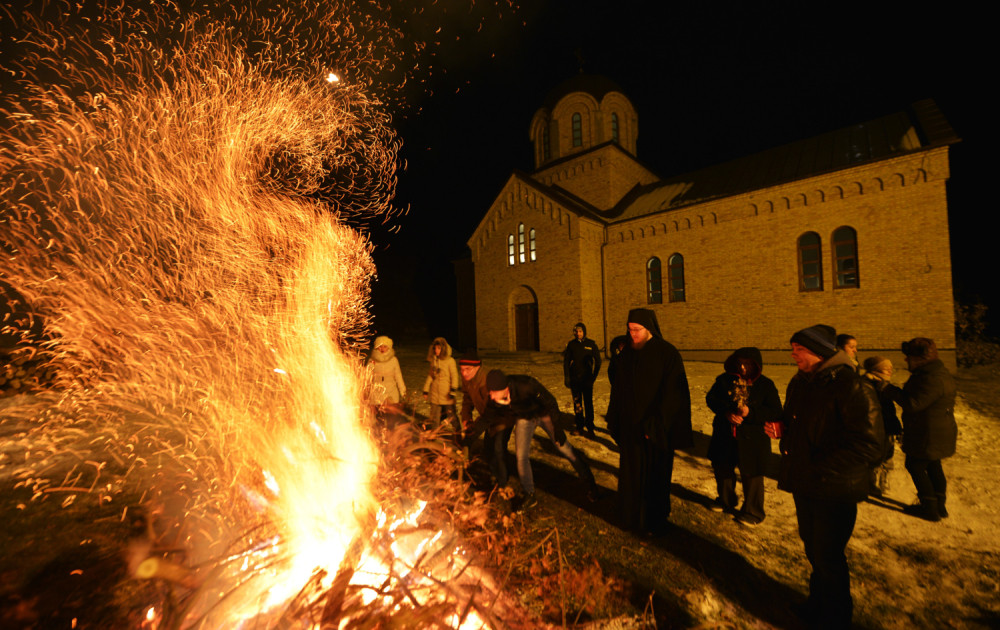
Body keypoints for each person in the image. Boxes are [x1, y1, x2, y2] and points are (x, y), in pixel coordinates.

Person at [777, 325, 882, 628]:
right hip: (807, 483)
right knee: (814, 549)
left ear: (820, 352)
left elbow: (869, 446)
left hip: (836, 489)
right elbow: (797, 422)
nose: (793, 353)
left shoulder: (852, 386)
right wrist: (782, 429)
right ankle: (817, 605)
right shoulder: (802, 383)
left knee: (829, 557)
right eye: (793, 347)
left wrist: (820, 467)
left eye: (799, 348)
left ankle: (836, 618)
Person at [605, 308, 692, 535]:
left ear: (649, 329)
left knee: (655, 479)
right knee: (631, 476)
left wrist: (655, 425)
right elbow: (618, 390)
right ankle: (629, 516)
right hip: (631, 430)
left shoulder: (668, 354)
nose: (632, 334)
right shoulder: (626, 355)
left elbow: (674, 394)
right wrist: (615, 418)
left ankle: (654, 521)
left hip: (655, 432)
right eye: (630, 329)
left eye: (637, 330)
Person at [466, 369, 597, 505]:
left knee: (564, 449)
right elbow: (486, 419)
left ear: (504, 388)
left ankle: (590, 483)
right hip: (525, 418)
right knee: (521, 456)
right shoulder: (495, 399)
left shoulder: (526, 385)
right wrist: (469, 438)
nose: (491, 396)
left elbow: (550, 401)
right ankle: (529, 494)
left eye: (493, 392)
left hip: (544, 414)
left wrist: (557, 428)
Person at [706, 347, 782, 526]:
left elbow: (775, 411)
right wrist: (726, 412)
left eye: (747, 363)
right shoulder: (724, 381)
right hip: (725, 434)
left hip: (753, 439)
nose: (742, 367)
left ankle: (753, 511)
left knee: (752, 474)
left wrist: (751, 413)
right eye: (740, 362)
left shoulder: (765, 385)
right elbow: (711, 399)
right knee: (722, 467)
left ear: (756, 365)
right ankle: (725, 500)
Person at [885, 338, 957, 522]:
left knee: (915, 465)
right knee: (933, 464)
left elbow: (913, 404)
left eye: (909, 357)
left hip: (928, 432)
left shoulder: (932, 378)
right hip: (934, 429)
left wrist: (887, 389)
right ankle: (939, 506)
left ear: (920, 359)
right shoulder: (933, 373)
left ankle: (930, 509)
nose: (906, 361)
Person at [458, 351, 512, 488]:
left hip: (503, 418)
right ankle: (495, 473)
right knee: (488, 450)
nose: (464, 373)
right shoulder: (467, 379)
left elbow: (491, 413)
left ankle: (502, 482)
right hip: (487, 418)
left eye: (467, 369)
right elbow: (467, 399)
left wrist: (472, 433)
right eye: (462, 369)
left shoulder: (487, 381)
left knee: (499, 448)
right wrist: (466, 419)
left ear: (478, 367)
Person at [862, 356, 903, 496]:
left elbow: (889, 410)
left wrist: (896, 428)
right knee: (875, 456)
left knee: (888, 454)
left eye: (891, 368)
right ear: (876, 369)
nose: (890, 370)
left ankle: (883, 480)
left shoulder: (884, 384)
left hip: (887, 426)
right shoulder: (868, 384)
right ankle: (871, 482)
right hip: (874, 427)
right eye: (886, 368)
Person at [563, 322, 602, 438]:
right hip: (575, 380)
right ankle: (579, 427)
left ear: (584, 332)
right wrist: (567, 377)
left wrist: (593, 377)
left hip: (587, 380)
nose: (578, 333)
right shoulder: (571, 345)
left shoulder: (591, 344)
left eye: (580, 331)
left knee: (588, 404)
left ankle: (590, 428)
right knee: (577, 404)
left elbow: (598, 362)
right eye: (576, 331)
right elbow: (566, 362)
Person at [422, 337, 460, 436]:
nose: (436, 351)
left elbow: (454, 375)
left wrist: (453, 389)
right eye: (435, 348)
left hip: (446, 394)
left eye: (438, 348)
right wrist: (426, 389)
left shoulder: (450, 361)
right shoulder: (434, 360)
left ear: (443, 349)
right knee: (435, 416)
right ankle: (435, 434)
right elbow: (431, 375)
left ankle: (459, 433)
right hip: (435, 393)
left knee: (451, 415)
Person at [368, 335, 406, 406]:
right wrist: (370, 366)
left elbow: (398, 375)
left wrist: (403, 391)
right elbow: (367, 375)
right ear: (376, 347)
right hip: (377, 392)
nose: (382, 349)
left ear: (389, 347)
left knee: (392, 413)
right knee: (378, 414)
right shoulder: (372, 360)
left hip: (391, 392)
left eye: (384, 346)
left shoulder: (393, 360)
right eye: (380, 346)